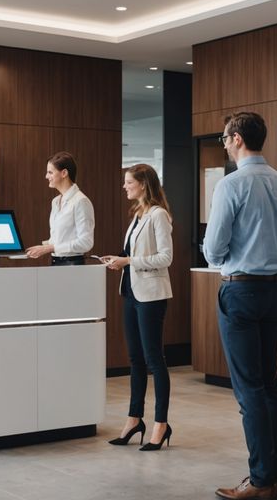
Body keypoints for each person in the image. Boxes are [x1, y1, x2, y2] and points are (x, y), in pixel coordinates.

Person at [204, 112, 277, 500]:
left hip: (240, 291)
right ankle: (274, 477)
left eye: (225, 138)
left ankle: (260, 480)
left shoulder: (232, 185)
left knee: (249, 391)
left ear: (238, 138)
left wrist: (230, 257)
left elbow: (212, 250)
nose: (224, 144)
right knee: (269, 385)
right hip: (275, 290)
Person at [100, 164, 174, 451]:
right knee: (135, 359)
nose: (125, 186)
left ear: (143, 184)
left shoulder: (159, 215)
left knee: (155, 360)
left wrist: (128, 262)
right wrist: (117, 259)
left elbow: (165, 257)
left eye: (129, 182)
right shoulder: (138, 216)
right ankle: (134, 420)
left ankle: (161, 424)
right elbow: (134, 253)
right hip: (131, 291)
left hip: (152, 294)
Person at [25, 151, 95, 265]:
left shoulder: (81, 201)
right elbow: (61, 237)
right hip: (55, 262)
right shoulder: (56, 201)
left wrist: (51, 248)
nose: (46, 176)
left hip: (72, 265)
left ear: (64, 173)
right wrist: (45, 246)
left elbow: (86, 242)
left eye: (50, 172)